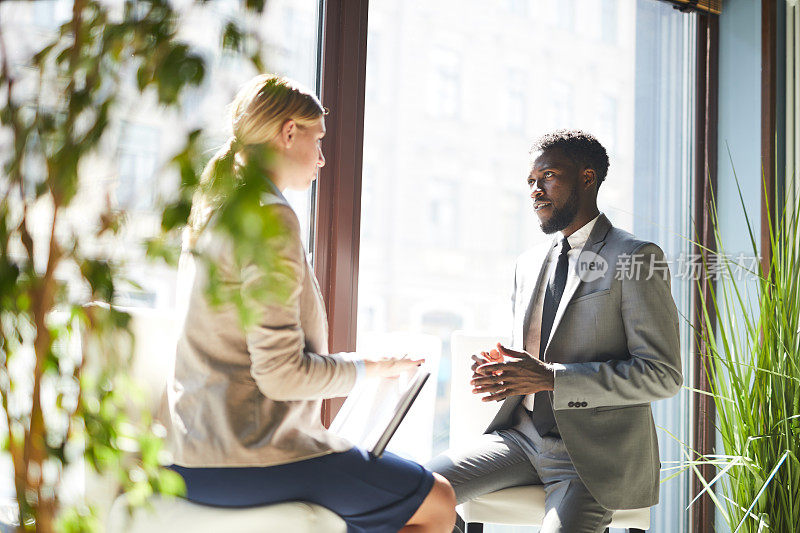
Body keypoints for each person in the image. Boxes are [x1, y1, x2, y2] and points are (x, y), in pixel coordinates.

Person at [161, 74, 456, 533]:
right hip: (248, 459)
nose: (321, 158)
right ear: (288, 133)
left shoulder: (219, 209)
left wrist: (368, 367)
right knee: (439, 500)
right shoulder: (270, 217)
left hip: (192, 456)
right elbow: (279, 375)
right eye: (317, 140)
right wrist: (360, 371)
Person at [426, 130, 682, 533]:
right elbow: (532, 352)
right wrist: (502, 370)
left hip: (591, 457)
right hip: (519, 439)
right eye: (530, 181)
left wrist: (552, 378)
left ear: (587, 176)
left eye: (547, 176)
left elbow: (662, 375)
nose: (535, 190)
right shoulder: (527, 263)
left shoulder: (635, 257)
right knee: (413, 493)